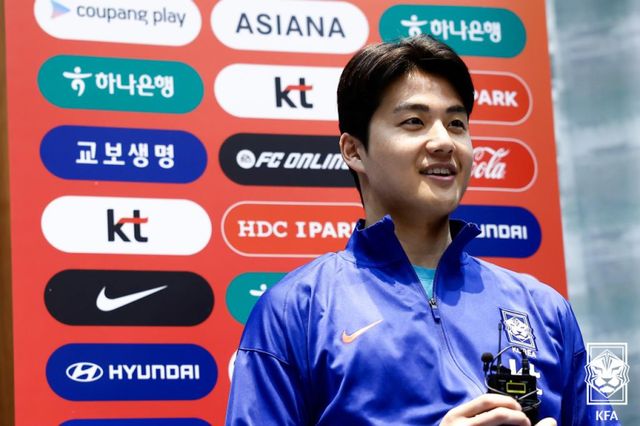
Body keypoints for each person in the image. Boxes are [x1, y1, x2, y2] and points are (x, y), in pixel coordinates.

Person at [226, 35, 616, 425]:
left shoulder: (545, 308)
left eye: (456, 123)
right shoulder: (295, 309)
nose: (444, 141)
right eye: (414, 122)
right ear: (354, 151)